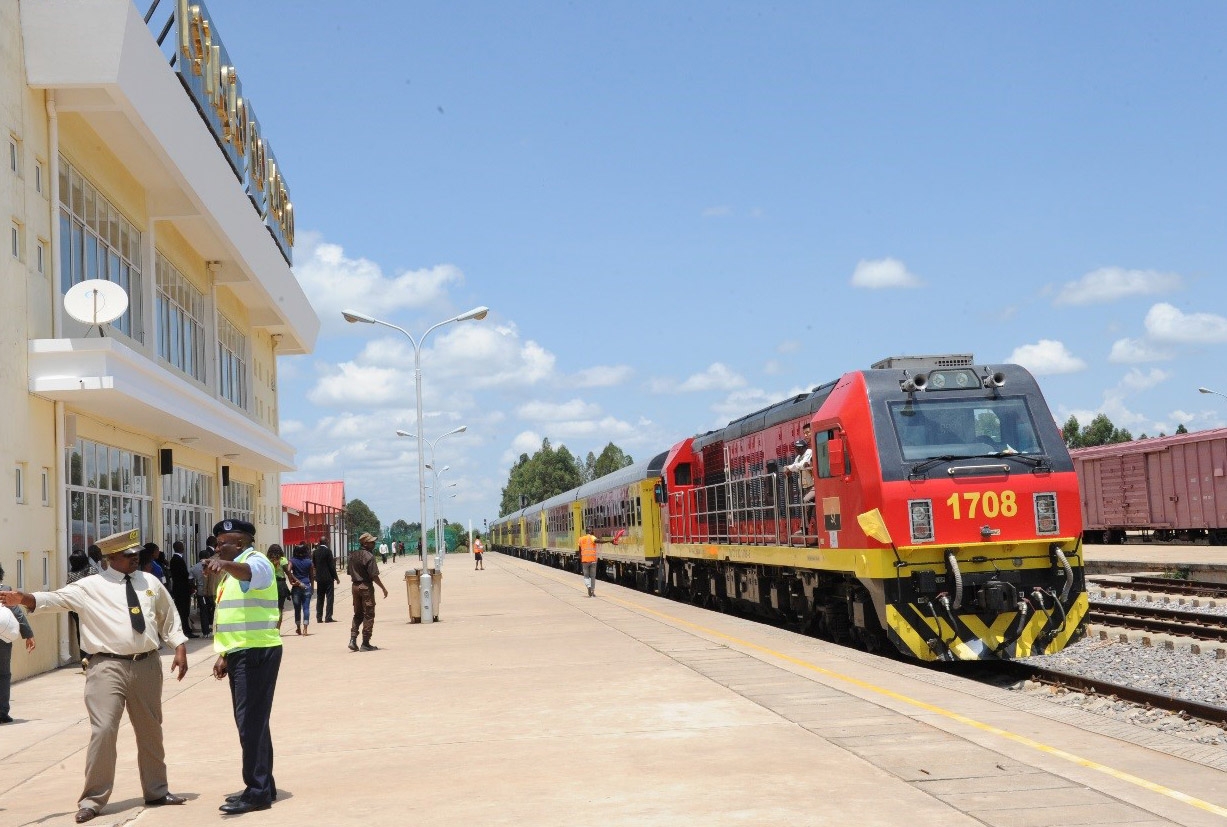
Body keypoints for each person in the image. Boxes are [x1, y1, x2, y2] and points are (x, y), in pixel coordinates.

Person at [0, 529, 187, 823]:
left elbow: (168, 615)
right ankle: (93, 800)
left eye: (136, 554)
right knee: (103, 731)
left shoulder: (149, 582)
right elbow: (54, 599)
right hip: (106, 667)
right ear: (110, 558)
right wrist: (24, 598)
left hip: (147, 665)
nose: (135, 558)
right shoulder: (89, 586)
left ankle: (157, 791)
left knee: (151, 728)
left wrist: (179, 646)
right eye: (128, 555)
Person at [205, 518, 282, 815]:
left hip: (256, 652)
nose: (216, 547)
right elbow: (232, 616)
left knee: (249, 722)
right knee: (254, 722)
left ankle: (257, 791)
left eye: (221, 543)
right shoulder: (231, 572)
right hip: (241, 652)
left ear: (239, 543)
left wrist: (224, 565)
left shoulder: (255, 560)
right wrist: (224, 653)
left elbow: (252, 574)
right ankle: (264, 785)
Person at [0, 563, 36, 725]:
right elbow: (17, 613)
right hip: (2, 639)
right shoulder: (4, 590)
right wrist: (28, 635)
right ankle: (2, 712)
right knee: (3, 674)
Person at [348, 532, 388, 652]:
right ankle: (365, 643)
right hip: (365, 587)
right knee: (369, 614)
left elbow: (349, 572)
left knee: (357, 614)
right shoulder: (369, 557)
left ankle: (353, 639)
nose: (374, 543)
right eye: (371, 542)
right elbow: (374, 575)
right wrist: (383, 588)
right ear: (365, 543)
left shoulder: (352, 555)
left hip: (355, 587)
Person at [66, 549, 92, 667]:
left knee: (80, 632)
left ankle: (84, 658)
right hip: (93, 606)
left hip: (76, 607)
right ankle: (91, 657)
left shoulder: (71, 575)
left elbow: (69, 591)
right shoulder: (93, 571)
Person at [167, 541, 197, 638]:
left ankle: (186, 628)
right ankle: (185, 630)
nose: (183, 548)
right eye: (181, 546)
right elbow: (183, 575)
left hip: (181, 589)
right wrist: (190, 584)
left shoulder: (177, 559)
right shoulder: (176, 559)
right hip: (181, 590)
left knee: (184, 611)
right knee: (183, 611)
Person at [289, 544, 315, 636]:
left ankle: (298, 628)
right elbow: (312, 576)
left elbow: (288, 570)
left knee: (297, 609)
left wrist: (294, 579)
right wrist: (312, 587)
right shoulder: (309, 562)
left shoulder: (292, 561)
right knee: (306, 608)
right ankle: (305, 629)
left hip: (296, 587)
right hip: (307, 586)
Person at [312, 540, 340, 623]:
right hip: (328, 578)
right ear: (326, 543)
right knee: (329, 598)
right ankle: (328, 617)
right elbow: (331, 566)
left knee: (320, 598)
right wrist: (336, 577)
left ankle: (319, 617)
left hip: (319, 578)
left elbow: (314, 565)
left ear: (319, 543)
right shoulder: (328, 551)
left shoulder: (315, 552)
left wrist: (315, 576)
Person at [267, 545, 292, 632]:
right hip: (281, 585)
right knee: (280, 608)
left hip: (270, 585)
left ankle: (270, 628)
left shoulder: (267, 561)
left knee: (270, 608)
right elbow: (288, 572)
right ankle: (277, 629)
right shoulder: (282, 560)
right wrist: (293, 582)